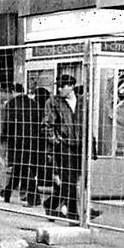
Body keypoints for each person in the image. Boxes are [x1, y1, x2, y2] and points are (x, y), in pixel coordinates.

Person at [41, 74, 84, 220]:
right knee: (69, 179)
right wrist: (56, 141)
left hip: (79, 145)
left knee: (72, 179)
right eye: (58, 86)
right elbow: (47, 124)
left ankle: (50, 203)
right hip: (64, 146)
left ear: (71, 86)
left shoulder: (82, 102)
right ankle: (73, 214)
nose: (59, 89)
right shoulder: (53, 102)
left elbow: (87, 124)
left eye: (62, 86)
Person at [0, 84, 41, 206]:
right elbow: (38, 124)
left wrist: (5, 137)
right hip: (32, 142)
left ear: (13, 91)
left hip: (16, 142)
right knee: (24, 169)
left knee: (21, 169)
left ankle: (29, 197)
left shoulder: (11, 104)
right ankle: (9, 192)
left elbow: (7, 124)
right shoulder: (34, 104)